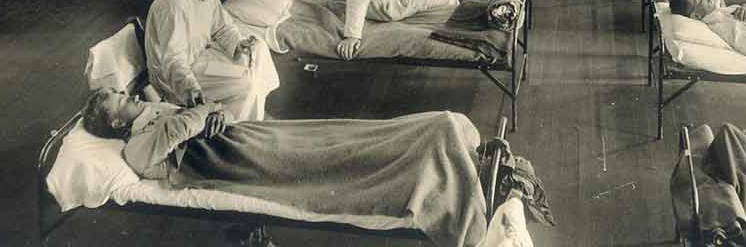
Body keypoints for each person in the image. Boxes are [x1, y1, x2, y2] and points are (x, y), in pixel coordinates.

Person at [80, 90, 492, 247]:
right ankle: (436, 155)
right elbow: (183, 125)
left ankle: (439, 136)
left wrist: (213, 111)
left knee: (339, 136)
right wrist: (202, 112)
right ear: (116, 122)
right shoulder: (133, 147)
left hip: (242, 136)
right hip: (233, 160)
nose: (128, 93)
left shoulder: (150, 113)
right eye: (119, 98)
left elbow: (193, 116)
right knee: (333, 160)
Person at [144, 0, 276, 122]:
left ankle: (252, 109)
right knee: (246, 83)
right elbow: (173, 60)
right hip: (177, 77)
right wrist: (190, 88)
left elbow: (222, 27)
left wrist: (238, 44)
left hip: (199, 58)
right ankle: (241, 127)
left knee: (257, 47)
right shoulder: (174, 5)